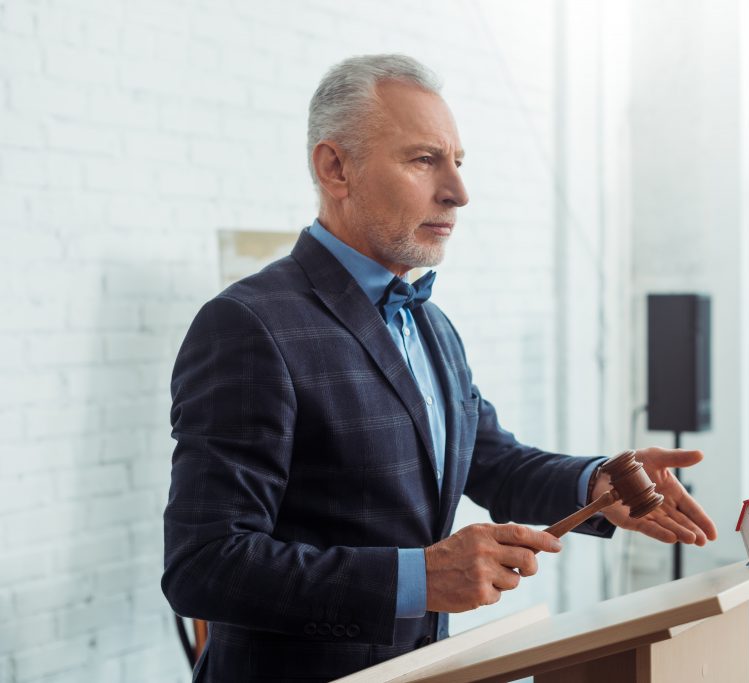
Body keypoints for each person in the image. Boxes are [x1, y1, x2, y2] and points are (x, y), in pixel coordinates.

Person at [162, 54, 717, 682]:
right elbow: (204, 566)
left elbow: (491, 460)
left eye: (457, 162)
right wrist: (418, 578)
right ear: (335, 168)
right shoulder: (248, 324)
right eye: (424, 160)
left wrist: (597, 483)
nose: (457, 192)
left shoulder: (430, 324)